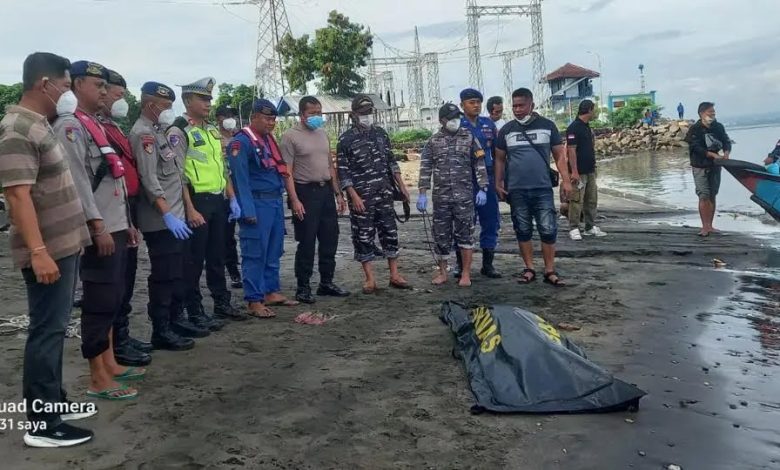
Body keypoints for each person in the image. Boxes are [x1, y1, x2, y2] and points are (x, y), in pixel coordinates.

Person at [0, 52, 96, 447]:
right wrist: (38, 251)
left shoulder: (39, 124)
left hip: (62, 245)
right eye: (66, 86)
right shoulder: (17, 129)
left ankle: (54, 401)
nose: (67, 93)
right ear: (45, 84)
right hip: (47, 250)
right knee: (46, 330)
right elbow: (18, 196)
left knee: (54, 330)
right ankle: (42, 425)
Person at [53, 61, 141, 401]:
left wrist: (127, 224)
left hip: (115, 224)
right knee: (99, 301)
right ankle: (97, 378)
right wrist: (98, 226)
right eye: (97, 85)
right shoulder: (71, 127)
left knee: (113, 297)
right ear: (77, 85)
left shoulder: (95, 125)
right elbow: (77, 182)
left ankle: (110, 362)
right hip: (98, 228)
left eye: (106, 86)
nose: (104, 92)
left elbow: (114, 177)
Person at [167, 77, 244, 327]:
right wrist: (189, 209)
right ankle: (195, 309)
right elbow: (179, 176)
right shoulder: (180, 131)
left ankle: (221, 302)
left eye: (210, 99)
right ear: (188, 100)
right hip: (197, 201)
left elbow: (222, 168)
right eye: (203, 99)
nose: (208, 104)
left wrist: (231, 197)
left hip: (218, 200)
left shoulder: (211, 130)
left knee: (217, 255)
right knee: (194, 259)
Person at [130, 81, 196, 351]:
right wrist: (167, 214)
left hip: (175, 216)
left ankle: (172, 321)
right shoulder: (142, 133)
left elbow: (173, 173)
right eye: (166, 107)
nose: (170, 111)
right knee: (163, 275)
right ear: (150, 105)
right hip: (161, 219)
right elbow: (149, 178)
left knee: (176, 272)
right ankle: (161, 329)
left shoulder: (157, 131)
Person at [98, 69, 152, 367]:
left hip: (127, 207)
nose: (120, 101)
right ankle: (114, 345)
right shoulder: (93, 127)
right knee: (113, 282)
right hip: (109, 212)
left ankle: (123, 336)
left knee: (127, 277)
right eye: (117, 95)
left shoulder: (114, 127)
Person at [227, 99, 299, 317]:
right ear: (254, 117)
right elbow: (240, 180)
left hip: (274, 202)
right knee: (255, 252)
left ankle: (270, 291)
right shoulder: (241, 142)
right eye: (267, 118)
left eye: (273, 119)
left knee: (274, 249)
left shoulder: (267, 140)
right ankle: (254, 299)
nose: (271, 123)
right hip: (256, 203)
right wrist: (247, 210)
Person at [494, 87, 572, 286]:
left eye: (521, 105)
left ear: (532, 105)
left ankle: (549, 269)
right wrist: (498, 182)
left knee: (548, 229)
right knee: (523, 229)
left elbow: (559, 156)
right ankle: (529, 268)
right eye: (514, 106)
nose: (517, 110)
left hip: (543, 188)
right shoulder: (507, 130)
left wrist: (566, 180)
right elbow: (500, 159)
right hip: (517, 190)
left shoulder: (548, 126)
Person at [337, 94, 411, 293]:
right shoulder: (346, 139)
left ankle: (394, 274)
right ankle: (370, 279)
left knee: (390, 232)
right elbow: (343, 172)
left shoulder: (380, 134)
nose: (367, 116)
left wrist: (402, 186)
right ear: (354, 114)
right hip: (361, 197)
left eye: (369, 112)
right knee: (363, 236)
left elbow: (391, 162)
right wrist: (353, 196)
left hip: (385, 193)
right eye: (363, 113)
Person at [281, 96, 350, 304]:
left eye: (319, 112)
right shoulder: (289, 137)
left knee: (330, 239)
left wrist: (338, 193)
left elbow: (330, 165)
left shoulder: (322, 134)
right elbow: (287, 172)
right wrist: (294, 200)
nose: (317, 117)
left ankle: (326, 283)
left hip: (325, 191)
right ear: (301, 114)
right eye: (312, 113)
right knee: (307, 242)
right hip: (305, 193)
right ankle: (303, 287)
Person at [417, 103, 489, 287]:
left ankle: (465, 274)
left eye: (457, 117)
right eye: (451, 118)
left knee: (466, 235)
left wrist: (483, 188)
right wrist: (422, 193)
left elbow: (479, 164)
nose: (455, 121)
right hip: (441, 198)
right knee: (441, 236)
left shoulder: (469, 137)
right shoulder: (433, 141)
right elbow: (425, 168)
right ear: (442, 121)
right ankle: (442, 272)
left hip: (464, 197)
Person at [459, 88, 502, 279]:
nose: (475, 105)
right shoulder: (457, 125)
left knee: (490, 220)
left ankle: (488, 265)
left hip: (488, 179)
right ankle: (461, 266)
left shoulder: (488, 124)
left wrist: (500, 181)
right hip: (464, 180)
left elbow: (498, 153)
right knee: (464, 222)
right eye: (471, 102)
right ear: (462, 105)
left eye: (478, 102)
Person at [684, 102, 731, 237]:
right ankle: (705, 227)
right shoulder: (695, 129)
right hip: (700, 165)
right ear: (701, 114)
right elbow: (695, 147)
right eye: (710, 112)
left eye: (714, 112)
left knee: (712, 195)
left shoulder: (718, 127)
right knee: (703, 195)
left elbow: (726, 141)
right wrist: (710, 154)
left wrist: (726, 152)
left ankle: (711, 225)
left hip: (716, 165)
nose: (712, 115)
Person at [566, 99, 607, 241]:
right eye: (593, 109)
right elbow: (571, 150)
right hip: (579, 171)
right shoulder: (573, 128)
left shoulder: (587, 127)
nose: (594, 112)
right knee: (576, 200)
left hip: (590, 170)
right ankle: (574, 228)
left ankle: (589, 226)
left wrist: (594, 167)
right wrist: (574, 171)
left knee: (591, 199)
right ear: (589, 110)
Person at [216, 104, 243, 289]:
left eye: (231, 115)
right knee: (227, 236)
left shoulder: (239, 137)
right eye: (225, 116)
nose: (229, 119)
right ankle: (233, 272)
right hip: (225, 192)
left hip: (241, 190)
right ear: (218, 118)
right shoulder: (214, 138)